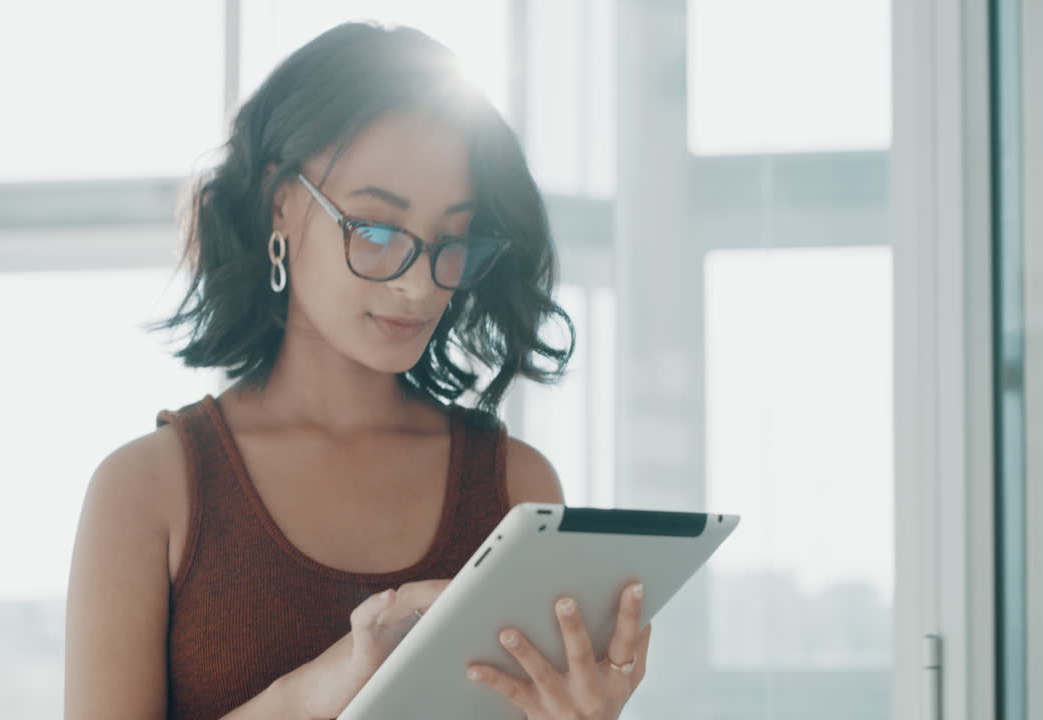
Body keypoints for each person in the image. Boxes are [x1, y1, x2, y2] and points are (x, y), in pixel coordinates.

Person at [63, 21, 651, 720]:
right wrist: (321, 687)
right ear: (281, 203)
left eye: (451, 240)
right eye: (375, 231)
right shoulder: (148, 493)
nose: (419, 287)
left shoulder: (515, 488)